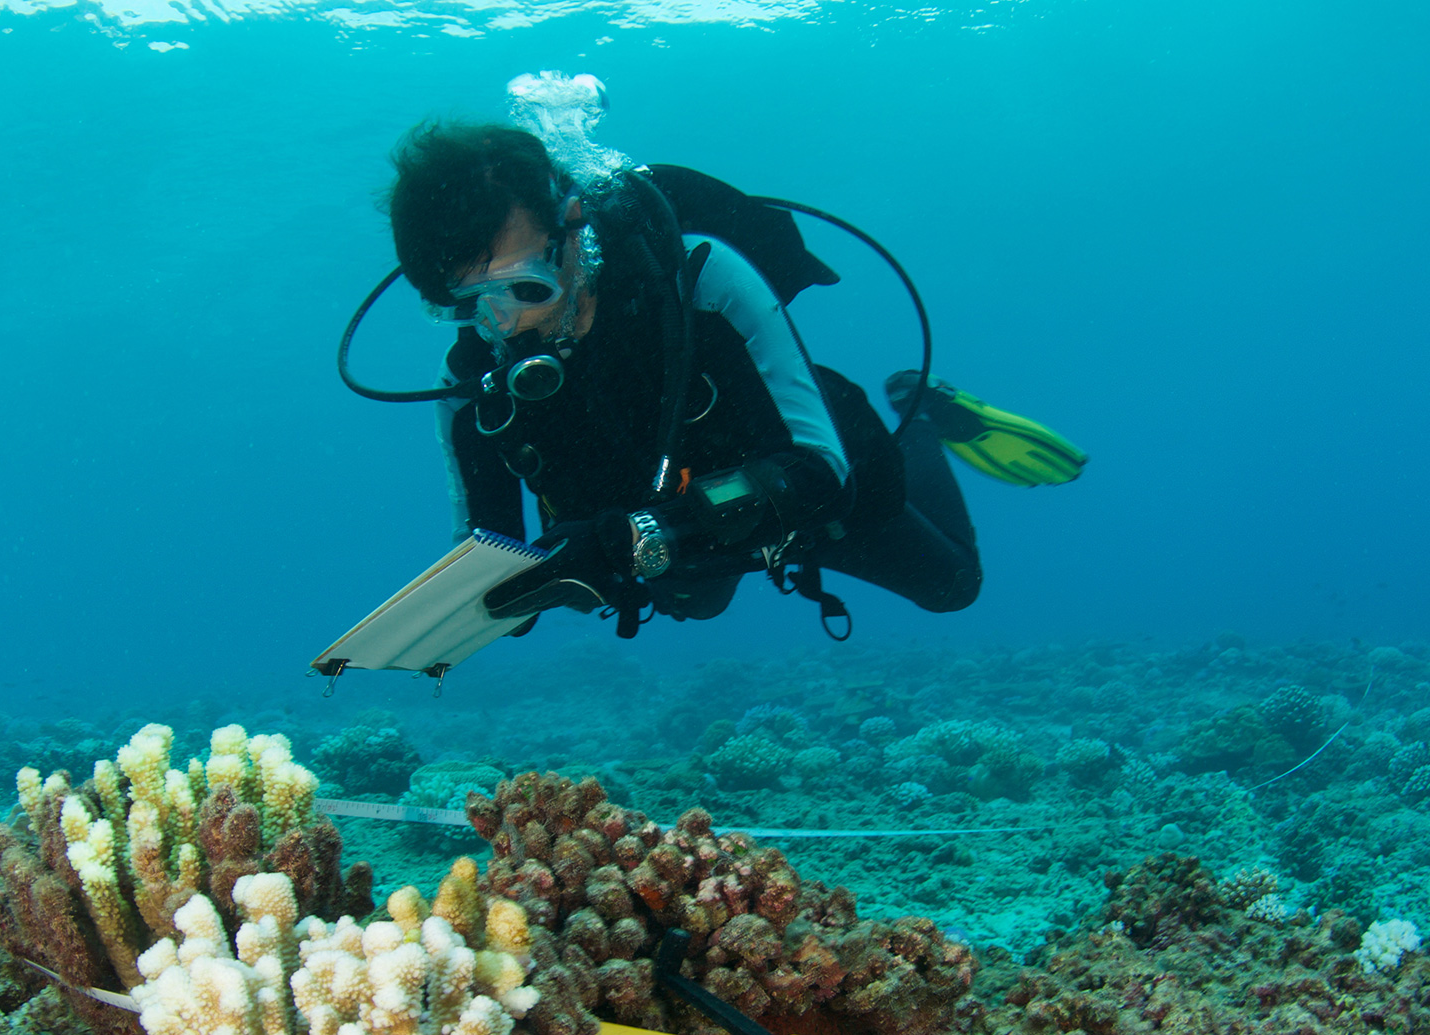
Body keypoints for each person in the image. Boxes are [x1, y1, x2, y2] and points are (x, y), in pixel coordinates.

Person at [379, 98, 1081, 640]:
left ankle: (919, 417)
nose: (505, 322)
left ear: (572, 226)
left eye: (526, 286)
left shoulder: (703, 283)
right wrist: (469, 612)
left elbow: (819, 475)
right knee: (693, 602)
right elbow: (492, 568)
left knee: (953, 586)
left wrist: (645, 535)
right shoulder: (473, 379)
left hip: (803, 479)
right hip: (675, 543)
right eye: (465, 303)